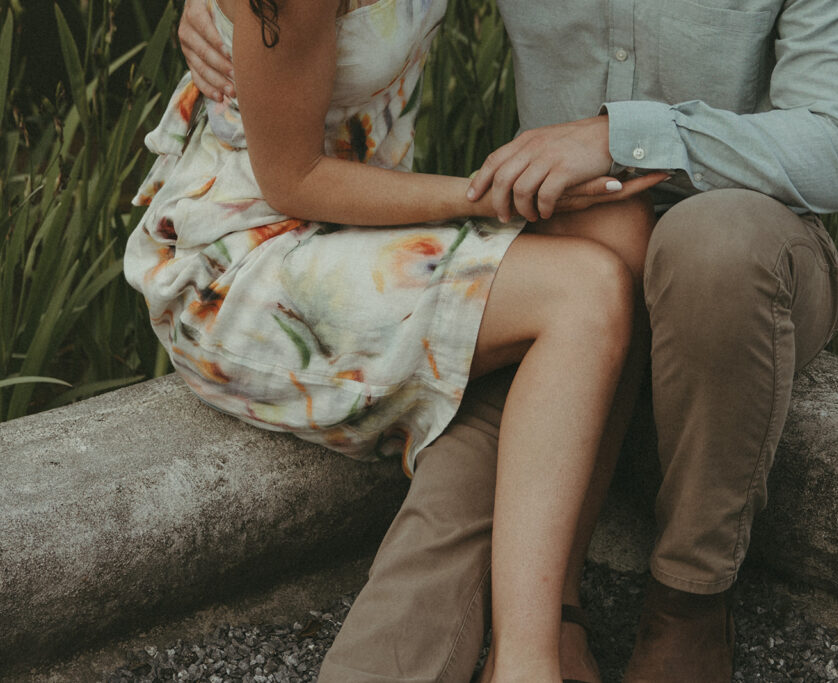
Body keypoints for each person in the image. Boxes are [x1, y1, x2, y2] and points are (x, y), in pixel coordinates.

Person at [178, 0, 838, 680]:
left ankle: (687, 599)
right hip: (572, 226)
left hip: (740, 259)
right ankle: (509, 642)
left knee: (702, 249)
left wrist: (619, 136)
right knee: (495, 420)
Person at [127, 1, 668, 682]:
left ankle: (552, 618)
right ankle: (527, 666)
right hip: (247, 261)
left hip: (359, 228)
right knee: (583, 293)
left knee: (619, 227)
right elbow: (291, 180)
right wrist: (486, 195)